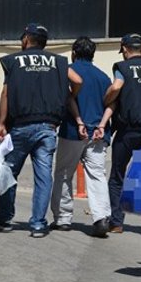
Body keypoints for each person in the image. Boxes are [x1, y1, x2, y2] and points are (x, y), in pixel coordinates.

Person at [0, 23, 82, 237]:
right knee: (43, 176)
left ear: (26, 39)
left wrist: (1, 123)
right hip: (48, 128)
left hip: (20, 127)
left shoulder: (14, 61)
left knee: (8, 171)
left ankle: (4, 217)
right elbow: (78, 80)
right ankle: (38, 224)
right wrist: (69, 96)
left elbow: (5, 94)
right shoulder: (58, 61)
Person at [103, 34, 141, 237]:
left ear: (124, 49)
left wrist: (107, 98)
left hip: (128, 131)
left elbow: (117, 87)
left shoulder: (121, 67)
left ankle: (117, 223)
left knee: (117, 177)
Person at [50, 36, 112, 238]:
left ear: (73, 53)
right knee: (97, 175)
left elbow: (64, 99)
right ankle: (101, 218)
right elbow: (111, 103)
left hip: (72, 131)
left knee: (63, 174)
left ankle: (63, 219)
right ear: (93, 55)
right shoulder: (103, 78)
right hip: (98, 133)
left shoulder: (67, 72)